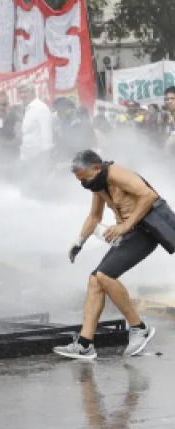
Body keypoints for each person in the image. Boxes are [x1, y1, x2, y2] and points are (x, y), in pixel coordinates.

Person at [56, 150, 159, 359]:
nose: (83, 184)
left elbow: (150, 195)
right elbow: (95, 216)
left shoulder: (116, 173)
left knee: (105, 275)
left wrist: (124, 226)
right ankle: (85, 344)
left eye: (84, 178)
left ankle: (139, 328)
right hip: (129, 233)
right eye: (80, 181)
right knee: (95, 280)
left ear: (96, 167)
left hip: (145, 232)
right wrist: (79, 241)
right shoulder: (98, 183)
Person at [52, 97, 96, 165]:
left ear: (68, 109)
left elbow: (91, 142)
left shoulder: (82, 123)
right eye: (58, 111)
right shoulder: (65, 123)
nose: (58, 114)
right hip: (70, 160)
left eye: (60, 111)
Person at [17, 81, 53, 161]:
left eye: (25, 92)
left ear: (33, 92)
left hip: (37, 157)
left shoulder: (41, 108)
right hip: (25, 155)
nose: (22, 96)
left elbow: (46, 134)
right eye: (20, 93)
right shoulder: (26, 108)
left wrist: (45, 158)